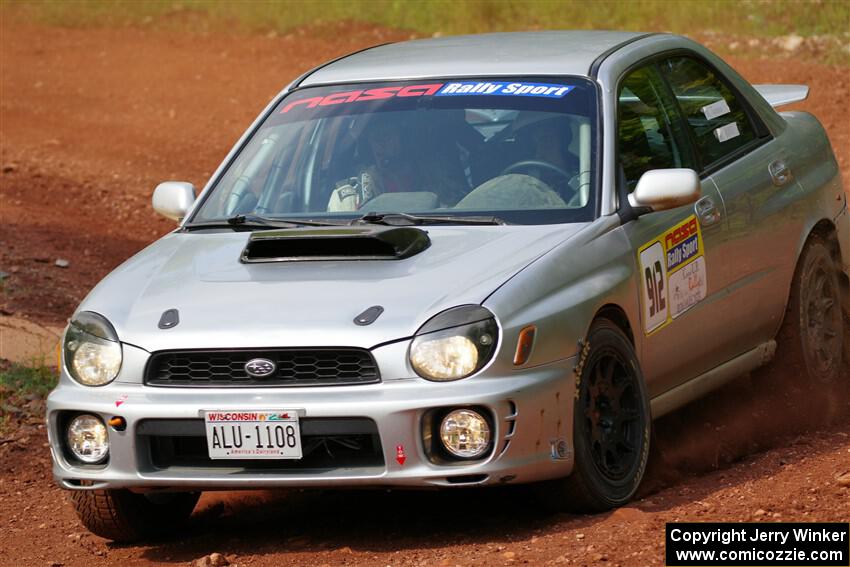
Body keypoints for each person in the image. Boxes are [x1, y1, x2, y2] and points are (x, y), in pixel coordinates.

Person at [327, 113, 469, 212]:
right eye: (374, 137)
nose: (380, 143)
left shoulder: (439, 181)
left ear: (406, 139)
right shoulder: (352, 196)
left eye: (387, 134)